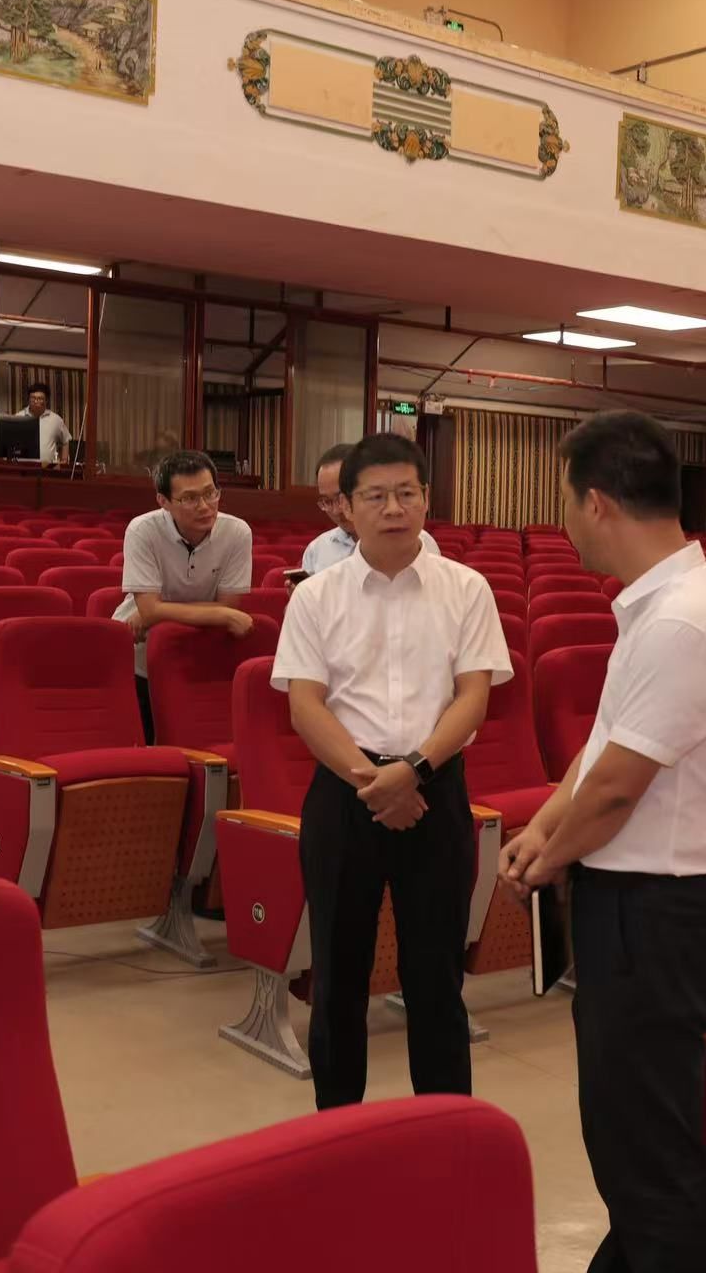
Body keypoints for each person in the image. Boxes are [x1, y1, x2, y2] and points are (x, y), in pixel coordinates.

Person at [498, 411, 706, 1273]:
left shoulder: (681, 621)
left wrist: (546, 858)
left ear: (598, 502)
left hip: (655, 916)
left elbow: (616, 789)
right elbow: (604, 747)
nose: (564, 521)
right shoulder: (660, 607)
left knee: (649, 1160)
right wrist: (544, 826)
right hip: (637, 910)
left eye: (566, 501)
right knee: (629, 1139)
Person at [271, 432, 510, 1110]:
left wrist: (414, 771)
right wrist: (373, 783)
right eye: (376, 496)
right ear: (347, 507)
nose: (394, 508)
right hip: (345, 797)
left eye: (407, 492)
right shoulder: (316, 596)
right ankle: (338, 1128)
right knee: (338, 978)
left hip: (436, 793)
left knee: (436, 979)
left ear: (427, 497)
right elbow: (305, 706)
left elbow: (473, 696)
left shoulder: (467, 588)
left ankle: (445, 1127)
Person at [112, 450, 254, 742]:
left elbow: (228, 605)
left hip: (197, 653)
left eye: (211, 493)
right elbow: (150, 611)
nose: (204, 506)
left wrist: (157, 612)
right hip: (138, 654)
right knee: (143, 747)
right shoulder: (142, 531)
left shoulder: (238, 533)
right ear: (163, 501)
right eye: (189, 498)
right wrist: (219, 613)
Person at [298, 441, 437, 578]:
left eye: (341, 498)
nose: (336, 510)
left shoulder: (420, 542)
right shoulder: (317, 550)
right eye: (327, 501)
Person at [26, 383, 79, 468]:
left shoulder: (56, 419)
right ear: (28, 399)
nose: (36, 401)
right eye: (33, 398)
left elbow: (66, 440)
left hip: (48, 468)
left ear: (46, 400)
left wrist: (64, 461)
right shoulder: (18, 417)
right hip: (24, 468)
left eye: (40, 398)